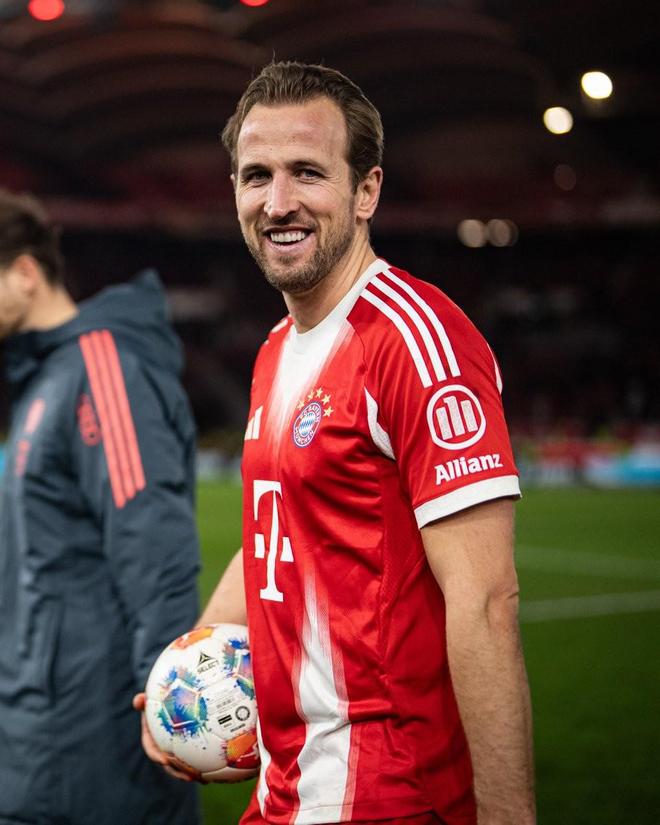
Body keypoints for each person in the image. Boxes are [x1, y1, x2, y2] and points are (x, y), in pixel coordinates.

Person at [139, 61, 536, 825]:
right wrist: (181, 679)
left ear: (366, 191)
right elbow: (274, 530)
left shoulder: (418, 343)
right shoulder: (274, 349)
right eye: (257, 176)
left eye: (308, 172)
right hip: (286, 786)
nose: (278, 202)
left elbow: (487, 601)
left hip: (390, 792)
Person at [0, 189, 201, 825]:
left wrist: (169, 712)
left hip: (98, 750)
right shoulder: (43, 379)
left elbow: (153, 547)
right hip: (38, 737)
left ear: (25, 273)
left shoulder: (100, 367)